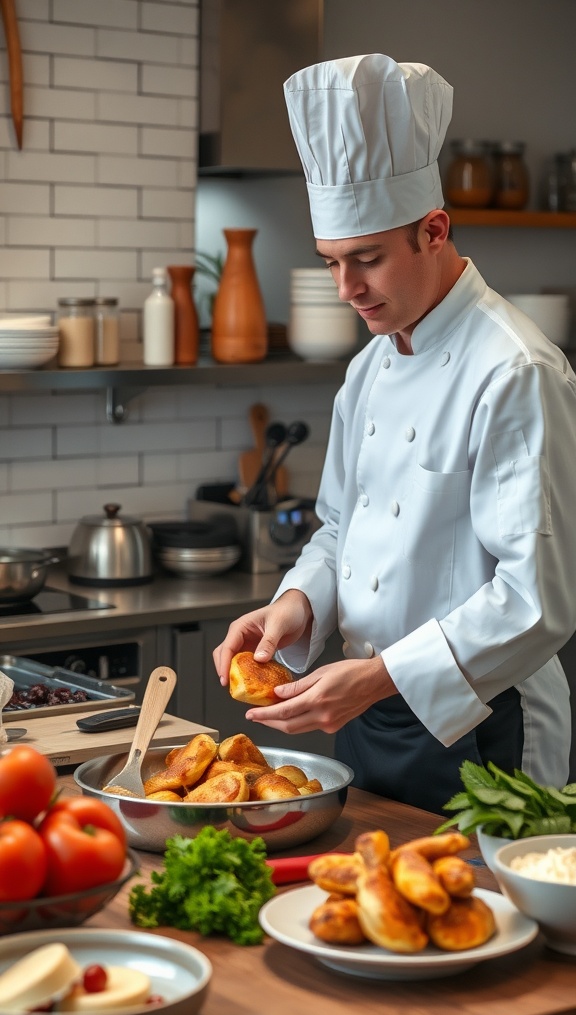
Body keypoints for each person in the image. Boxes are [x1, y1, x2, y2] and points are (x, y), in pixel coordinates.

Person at [213, 53, 576, 815]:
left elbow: (536, 598)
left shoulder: (515, 370)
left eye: (367, 260)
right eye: (332, 264)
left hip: (484, 724)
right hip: (367, 714)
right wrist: (296, 606)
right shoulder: (371, 368)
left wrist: (384, 676)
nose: (347, 291)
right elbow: (341, 527)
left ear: (434, 229)